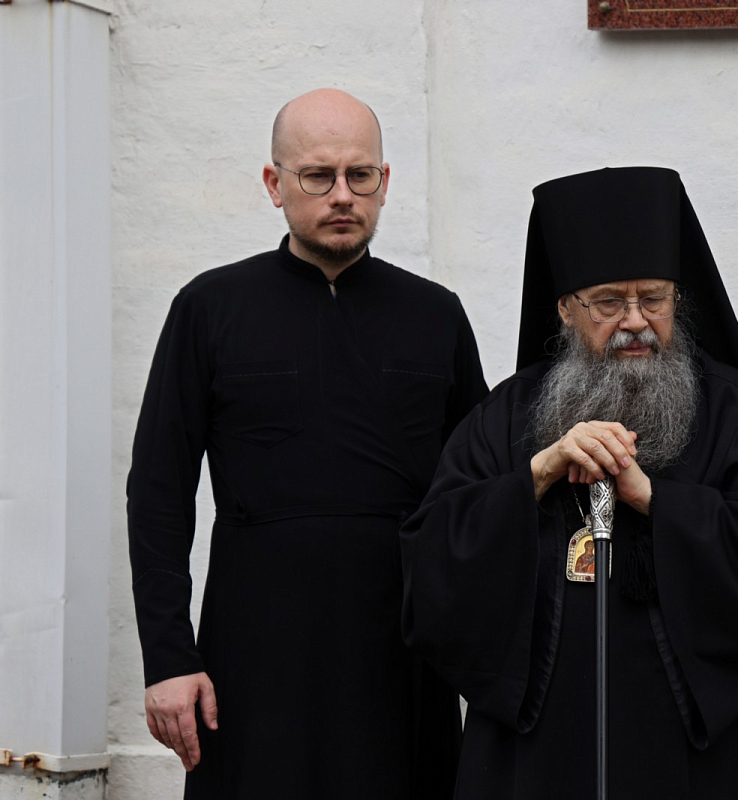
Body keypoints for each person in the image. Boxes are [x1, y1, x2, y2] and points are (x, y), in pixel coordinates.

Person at [399, 166, 738, 799]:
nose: (635, 321)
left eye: (654, 299)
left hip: (696, 750)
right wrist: (538, 474)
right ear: (565, 309)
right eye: (608, 303)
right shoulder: (504, 417)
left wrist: (657, 501)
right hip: (541, 745)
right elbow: (431, 567)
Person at [126, 88, 488, 799]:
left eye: (361, 175)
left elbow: (477, 488)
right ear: (275, 184)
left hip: (402, 649)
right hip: (254, 647)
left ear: (385, 182)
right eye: (318, 176)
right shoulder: (210, 307)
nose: (342, 195)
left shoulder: (434, 315)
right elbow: (160, 490)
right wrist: (168, 657)